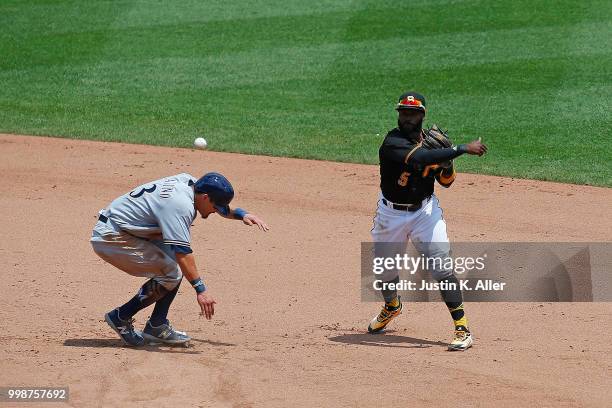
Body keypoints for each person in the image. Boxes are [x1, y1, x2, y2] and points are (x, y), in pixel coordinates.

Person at [91, 172, 269, 346]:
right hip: (112, 236)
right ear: (206, 198)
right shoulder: (180, 206)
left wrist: (242, 214)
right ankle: (120, 317)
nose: (216, 212)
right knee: (172, 271)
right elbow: (183, 252)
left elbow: (215, 207)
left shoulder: (191, 183)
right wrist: (201, 291)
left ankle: (156, 325)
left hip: (130, 228)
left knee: (174, 266)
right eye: (216, 207)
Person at [368, 92, 487, 351]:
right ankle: (392, 306)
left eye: (412, 112)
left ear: (422, 115)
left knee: (442, 268)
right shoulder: (392, 142)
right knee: (384, 270)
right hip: (390, 214)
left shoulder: (434, 145)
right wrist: (461, 149)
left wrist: (446, 162)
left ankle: (462, 328)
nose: (407, 117)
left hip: (425, 213)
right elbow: (420, 159)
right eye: (403, 112)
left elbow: (447, 182)